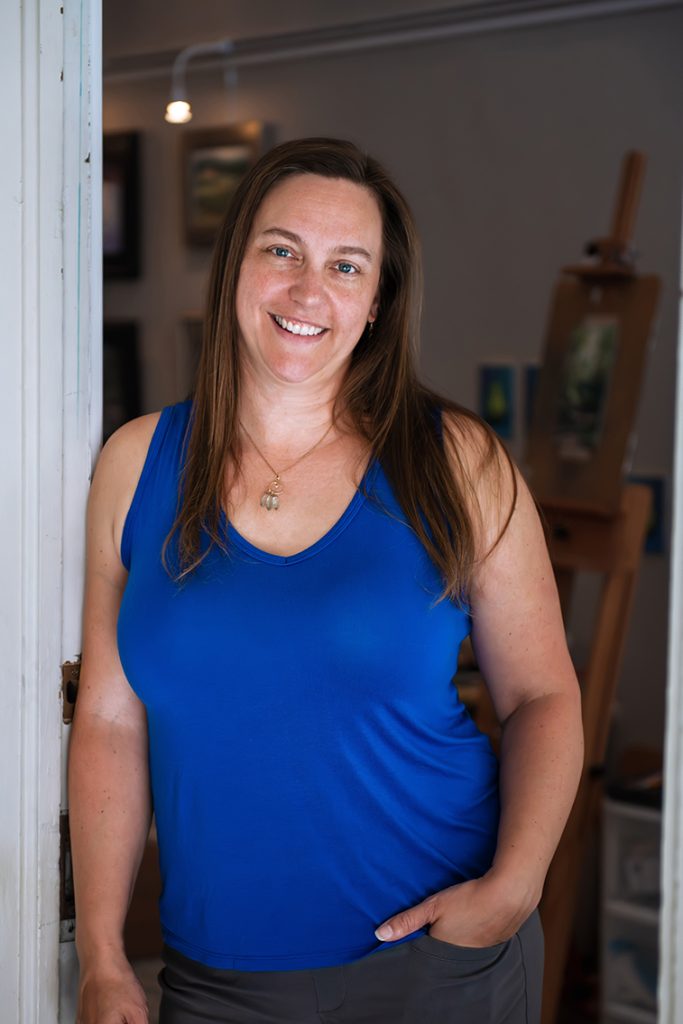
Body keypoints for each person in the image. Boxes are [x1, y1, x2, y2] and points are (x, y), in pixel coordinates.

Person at [69, 137, 584, 1024]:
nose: (309, 292)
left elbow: (540, 693)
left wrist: (514, 885)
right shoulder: (136, 463)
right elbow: (111, 720)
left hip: (434, 959)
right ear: (235, 263)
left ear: (377, 299)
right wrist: (104, 955)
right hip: (216, 978)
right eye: (282, 252)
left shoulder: (455, 461)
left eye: (346, 266)